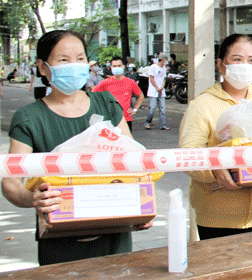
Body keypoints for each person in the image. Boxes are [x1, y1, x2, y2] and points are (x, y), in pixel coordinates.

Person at [0, 30, 150, 266]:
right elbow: (10, 181)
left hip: (114, 231)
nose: (74, 65)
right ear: (42, 67)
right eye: (63, 60)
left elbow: (133, 162)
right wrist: (33, 199)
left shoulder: (107, 103)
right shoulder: (29, 117)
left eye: (80, 59)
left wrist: (142, 204)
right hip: (60, 237)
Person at [179, 34, 252, 240]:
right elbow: (188, 156)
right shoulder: (202, 106)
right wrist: (214, 170)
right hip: (217, 218)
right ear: (221, 65)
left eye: (251, 60)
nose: (245, 65)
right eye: (237, 59)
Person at [94, 57, 145, 132]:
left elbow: (141, 96)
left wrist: (135, 109)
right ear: (111, 67)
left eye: (119, 66)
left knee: (126, 142)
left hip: (126, 119)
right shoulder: (105, 82)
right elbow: (93, 95)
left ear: (123, 66)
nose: (116, 68)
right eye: (114, 66)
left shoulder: (130, 82)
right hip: (110, 120)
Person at [144, 55, 169, 130]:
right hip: (153, 91)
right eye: (165, 59)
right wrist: (157, 87)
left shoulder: (164, 68)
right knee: (152, 108)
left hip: (161, 91)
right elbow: (151, 78)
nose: (166, 61)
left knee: (162, 109)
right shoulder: (153, 67)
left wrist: (162, 87)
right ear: (162, 59)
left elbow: (164, 78)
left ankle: (163, 125)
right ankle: (147, 122)